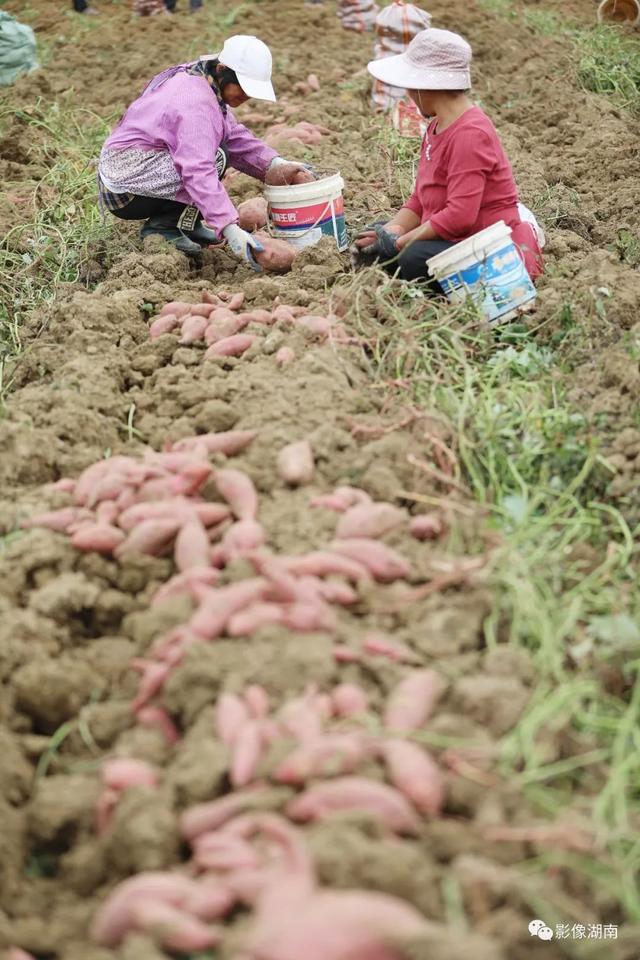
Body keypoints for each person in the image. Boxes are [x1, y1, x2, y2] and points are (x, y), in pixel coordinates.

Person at [98, 35, 313, 260]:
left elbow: (232, 134)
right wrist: (229, 227)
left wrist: (274, 164)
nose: (247, 96)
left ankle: (186, 224)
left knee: (217, 150)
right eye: (242, 87)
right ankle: (164, 227)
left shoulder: (201, 79)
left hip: (133, 170)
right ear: (222, 70)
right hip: (127, 189)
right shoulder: (195, 102)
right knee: (215, 157)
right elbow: (197, 169)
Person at [355, 28, 543, 284]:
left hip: (486, 243)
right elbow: (421, 198)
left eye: (410, 85)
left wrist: (399, 243)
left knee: (413, 257)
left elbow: (460, 217)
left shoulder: (471, 135)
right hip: (454, 236)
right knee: (375, 237)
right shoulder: (436, 126)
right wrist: (391, 230)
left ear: (426, 85)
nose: (409, 93)